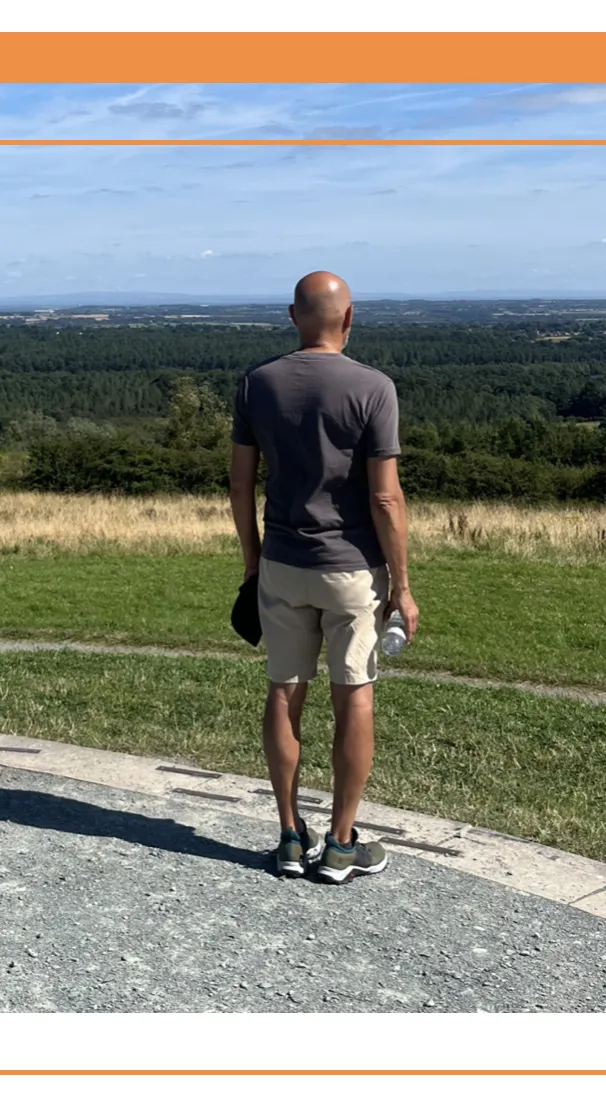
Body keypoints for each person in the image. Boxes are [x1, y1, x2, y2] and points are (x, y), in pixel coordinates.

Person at [229, 270, 419, 883]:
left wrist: (254, 562)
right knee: (353, 693)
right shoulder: (374, 388)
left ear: (292, 316)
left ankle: (288, 836)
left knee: (284, 691)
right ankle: (340, 845)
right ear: (350, 317)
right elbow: (385, 500)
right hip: (351, 571)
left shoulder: (258, 383)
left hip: (282, 564)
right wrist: (403, 585)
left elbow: (239, 483)